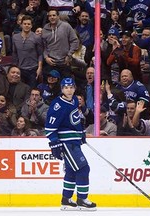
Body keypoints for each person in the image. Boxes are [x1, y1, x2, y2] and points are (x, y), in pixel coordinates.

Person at [45, 77, 96, 211]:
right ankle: (82, 199)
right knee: (83, 169)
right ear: (62, 89)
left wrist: (81, 132)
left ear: (74, 88)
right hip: (66, 143)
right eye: (66, 87)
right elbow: (49, 128)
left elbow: (75, 119)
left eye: (71, 87)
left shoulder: (74, 100)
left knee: (72, 171)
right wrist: (55, 143)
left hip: (74, 141)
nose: (69, 90)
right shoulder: (58, 105)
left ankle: (66, 199)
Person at [41, 8, 78, 78]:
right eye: (50, 16)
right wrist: (46, 57)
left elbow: (75, 41)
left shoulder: (66, 26)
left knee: (65, 86)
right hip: (50, 63)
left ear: (58, 16)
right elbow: (43, 46)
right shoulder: (44, 29)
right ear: (48, 17)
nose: (52, 17)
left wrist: (69, 55)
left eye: (54, 15)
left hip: (64, 63)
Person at [12, 15, 43, 88]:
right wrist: (16, 67)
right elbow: (14, 53)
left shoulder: (36, 38)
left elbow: (40, 54)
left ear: (31, 25)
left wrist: (39, 68)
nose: (26, 26)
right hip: (20, 69)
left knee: (32, 90)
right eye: (25, 24)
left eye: (28, 24)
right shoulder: (15, 37)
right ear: (21, 25)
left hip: (33, 69)